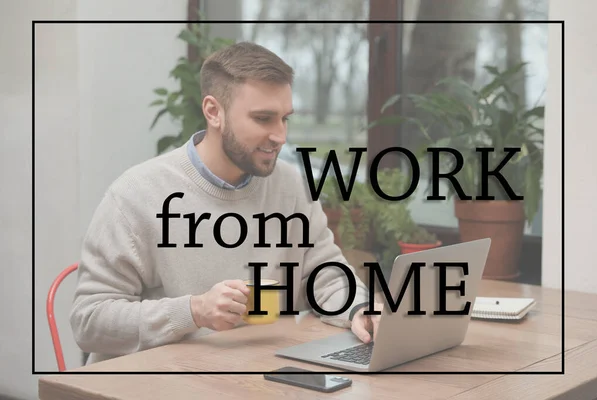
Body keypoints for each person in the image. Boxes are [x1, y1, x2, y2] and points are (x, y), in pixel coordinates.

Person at [69, 41, 383, 365]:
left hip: (249, 378)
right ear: (213, 112)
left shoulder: (292, 188)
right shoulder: (136, 196)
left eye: (284, 118)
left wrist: (360, 309)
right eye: (263, 118)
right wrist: (193, 311)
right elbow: (89, 321)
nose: (280, 135)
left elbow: (327, 277)